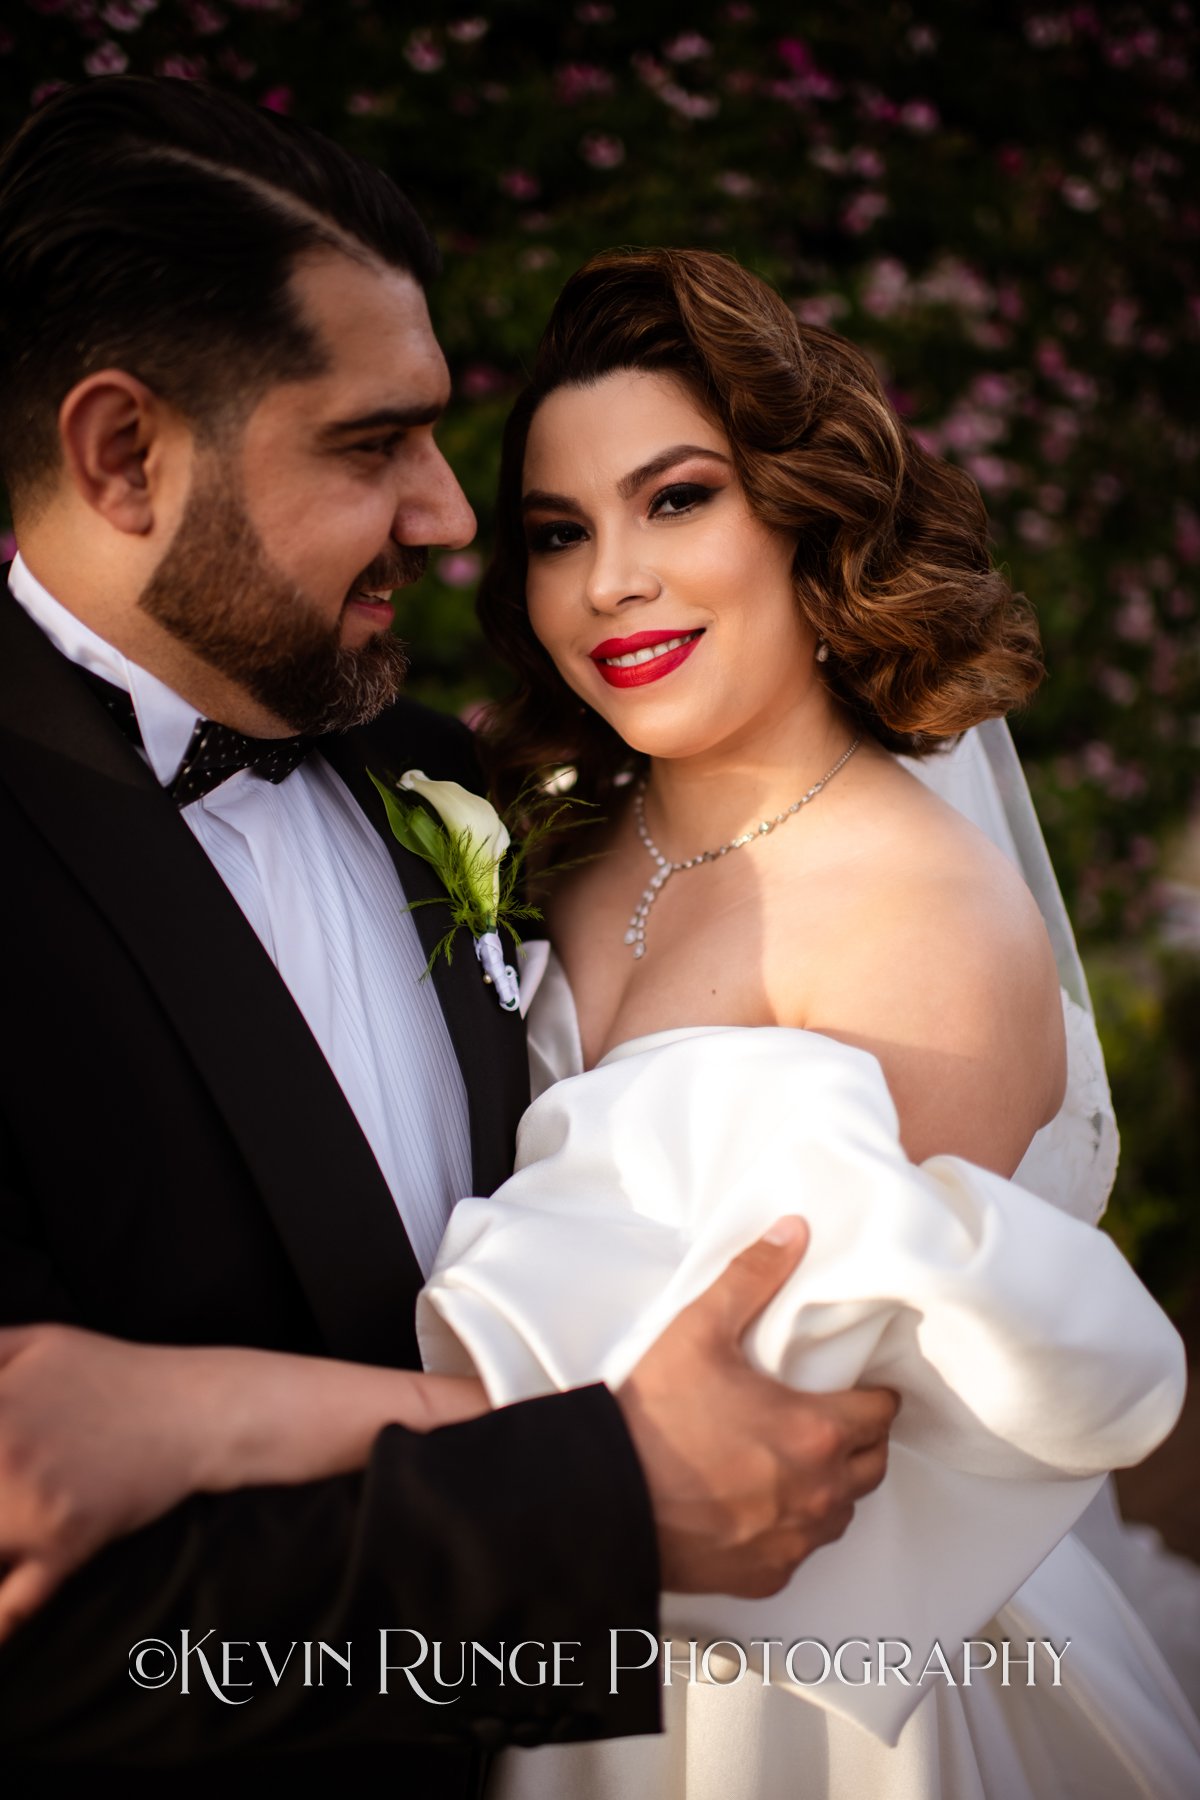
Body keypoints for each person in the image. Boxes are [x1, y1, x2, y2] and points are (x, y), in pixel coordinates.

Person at [3, 237, 1199, 1796]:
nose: (609, 579)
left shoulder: (928, 919)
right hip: (494, 1658)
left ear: (804, 509)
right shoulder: (539, 832)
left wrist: (194, 1415)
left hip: (781, 1696)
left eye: (678, 498)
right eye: (559, 531)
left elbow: (757, 1438)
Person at [0, 82, 901, 1789]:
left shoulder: (427, 767)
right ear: (123, 453)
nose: (452, 518)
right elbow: (50, 1661)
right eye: (369, 444)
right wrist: (608, 1509)